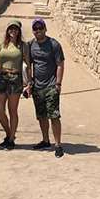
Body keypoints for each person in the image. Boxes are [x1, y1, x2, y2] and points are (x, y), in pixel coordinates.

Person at [26, 18, 65, 158]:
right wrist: (29, 83)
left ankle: (58, 144)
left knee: (54, 116)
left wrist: (58, 84)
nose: (38, 31)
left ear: (45, 29)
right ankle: (45, 140)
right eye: (35, 29)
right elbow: (28, 65)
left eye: (40, 28)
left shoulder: (54, 44)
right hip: (37, 86)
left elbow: (60, 64)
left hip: (51, 86)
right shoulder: (30, 45)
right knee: (41, 116)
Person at [0, 20, 31, 150]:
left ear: (19, 31)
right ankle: (9, 133)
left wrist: (29, 82)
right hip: (1, 77)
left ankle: (11, 139)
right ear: (7, 30)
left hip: (15, 78)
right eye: (11, 28)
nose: (13, 31)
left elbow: (28, 65)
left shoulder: (23, 46)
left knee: (13, 110)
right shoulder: (2, 45)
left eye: (16, 29)